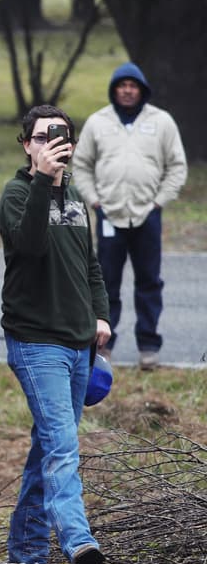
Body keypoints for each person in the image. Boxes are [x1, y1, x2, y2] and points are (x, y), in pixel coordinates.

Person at [0, 104, 110, 564]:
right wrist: (44, 180)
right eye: (42, 137)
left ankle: (24, 552)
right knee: (63, 443)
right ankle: (78, 541)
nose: (51, 144)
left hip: (78, 342)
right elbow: (28, 247)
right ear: (27, 145)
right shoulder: (18, 192)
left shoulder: (78, 199)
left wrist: (100, 317)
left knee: (48, 445)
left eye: (60, 136)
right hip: (35, 341)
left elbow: (91, 268)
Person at [72, 62, 187, 370]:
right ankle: (104, 345)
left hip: (147, 217)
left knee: (149, 281)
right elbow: (81, 165)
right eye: (121, 85)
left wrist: (159, 203)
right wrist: (95, 202)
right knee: (106, 283)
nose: (127, 90)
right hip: (109, 215)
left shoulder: (161, 122)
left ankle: (149, 345)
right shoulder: (98, 122)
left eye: (132, 85)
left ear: (142, 89)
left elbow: (177, 166)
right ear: (114, 89)